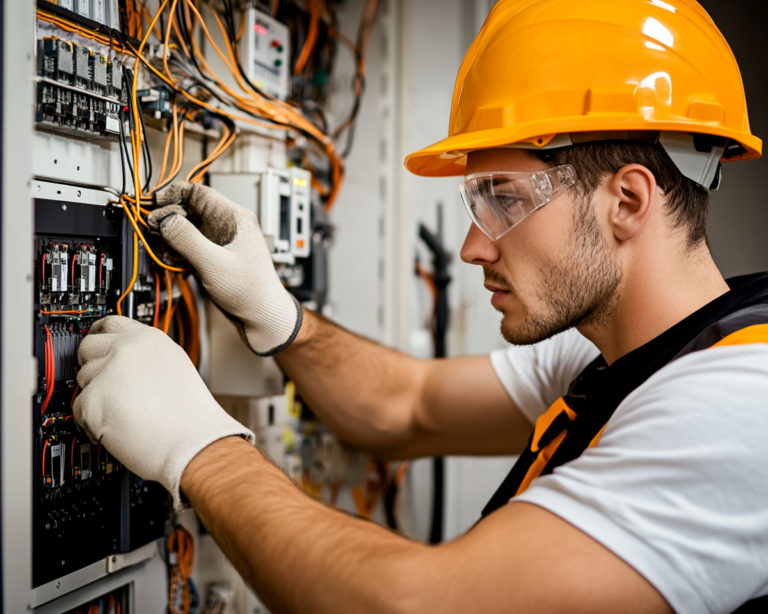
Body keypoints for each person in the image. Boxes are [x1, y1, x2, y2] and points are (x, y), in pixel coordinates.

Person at [75, 0, 768, 612]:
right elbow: (404, 407)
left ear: (626, 202)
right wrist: (275, 315)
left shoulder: (739, 403)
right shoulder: (611, 351)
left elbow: (416, 604)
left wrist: (203, 451)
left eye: (504, 198)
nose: (471, 247)